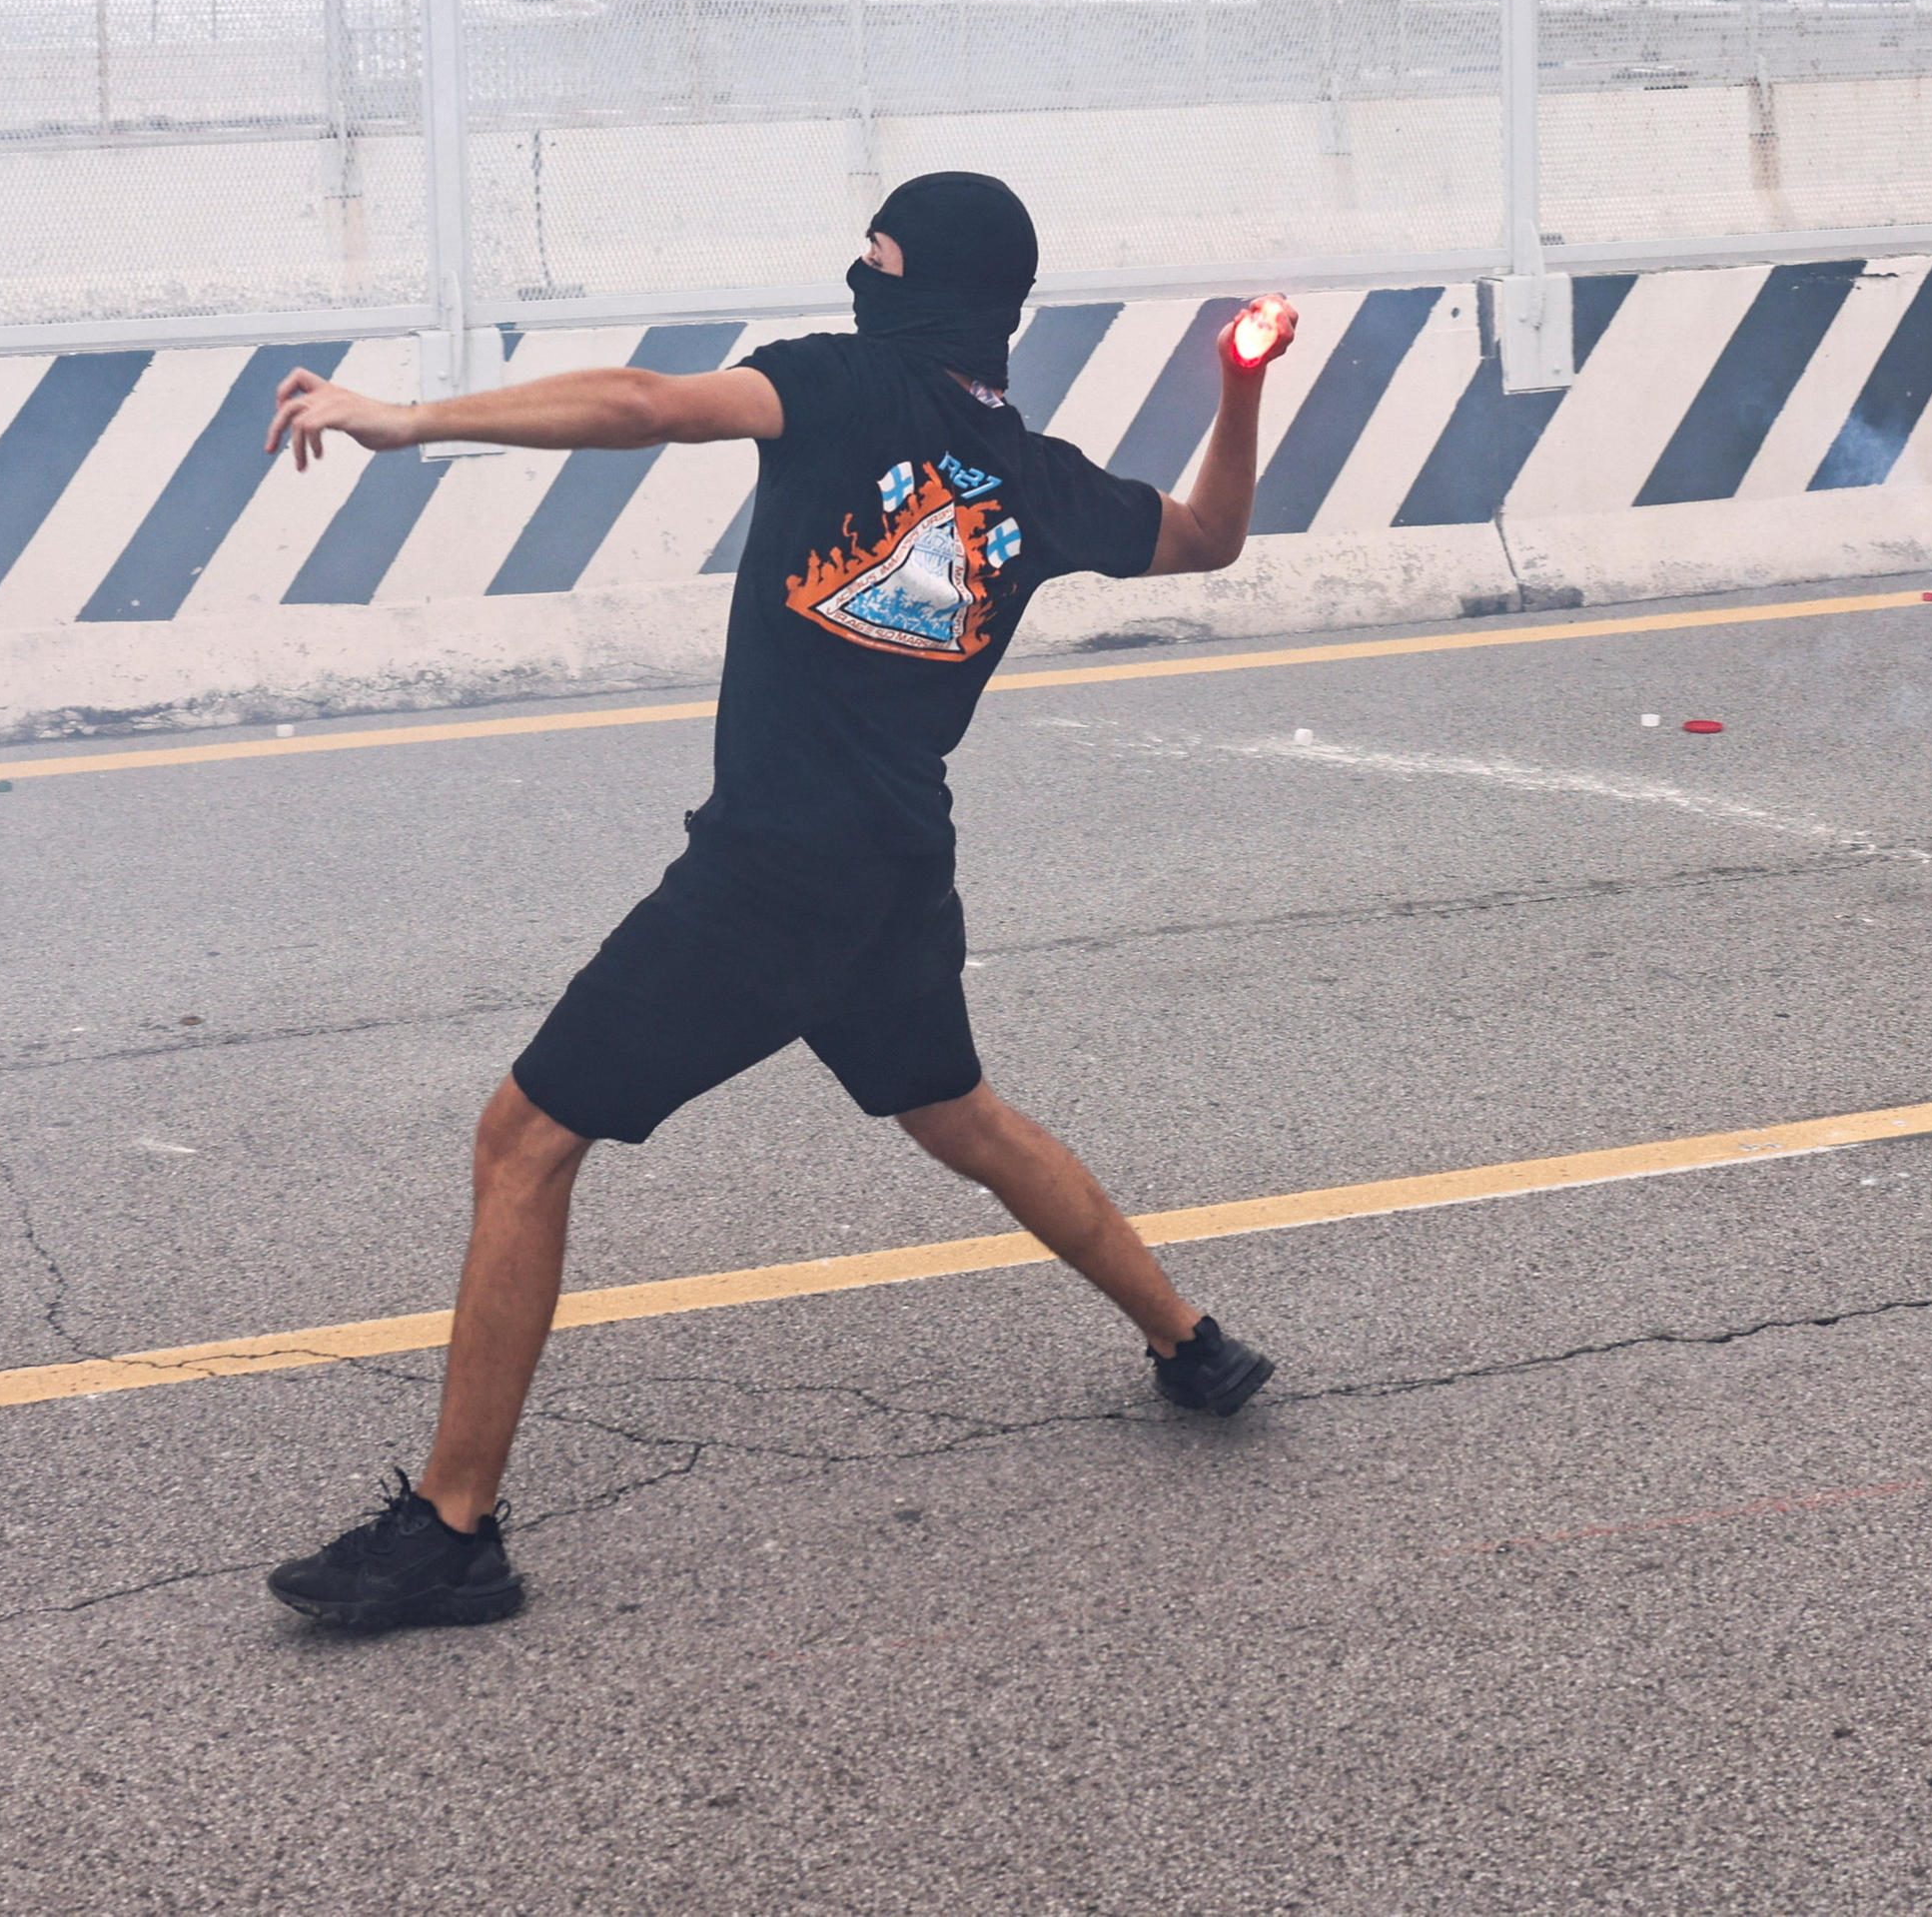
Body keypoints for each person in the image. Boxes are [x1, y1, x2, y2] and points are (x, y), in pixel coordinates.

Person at [247, 173, 1282, 1633]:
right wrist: (1241, 381)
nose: (857, 271)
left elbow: (643, 404)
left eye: (876, 254)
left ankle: (450, 1532)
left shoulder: (842, 382)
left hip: (776, 875)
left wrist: (410, 418)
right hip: (895, 868)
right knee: (959, 1116)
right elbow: (1212, 533)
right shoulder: (1033, 474)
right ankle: (1191, 1343)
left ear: (919, 283)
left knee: (523, 1139)